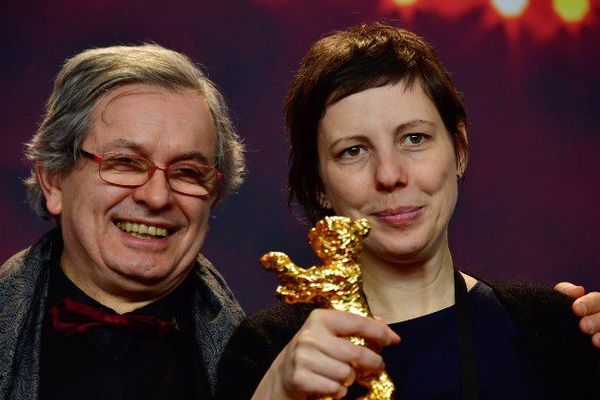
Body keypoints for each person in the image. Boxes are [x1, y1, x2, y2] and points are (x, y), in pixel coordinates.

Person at [216, 23, 600, 399]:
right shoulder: (267, 355)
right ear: (318, 184)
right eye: (353, 151)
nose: (390, 175)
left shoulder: (556, 328)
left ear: (459, 150)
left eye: (414, 139)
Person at [0, 44, 245, 400]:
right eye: (125, 163)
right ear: (54, 179)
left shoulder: (264, 360)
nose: (157, 197)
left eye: (187, 171)